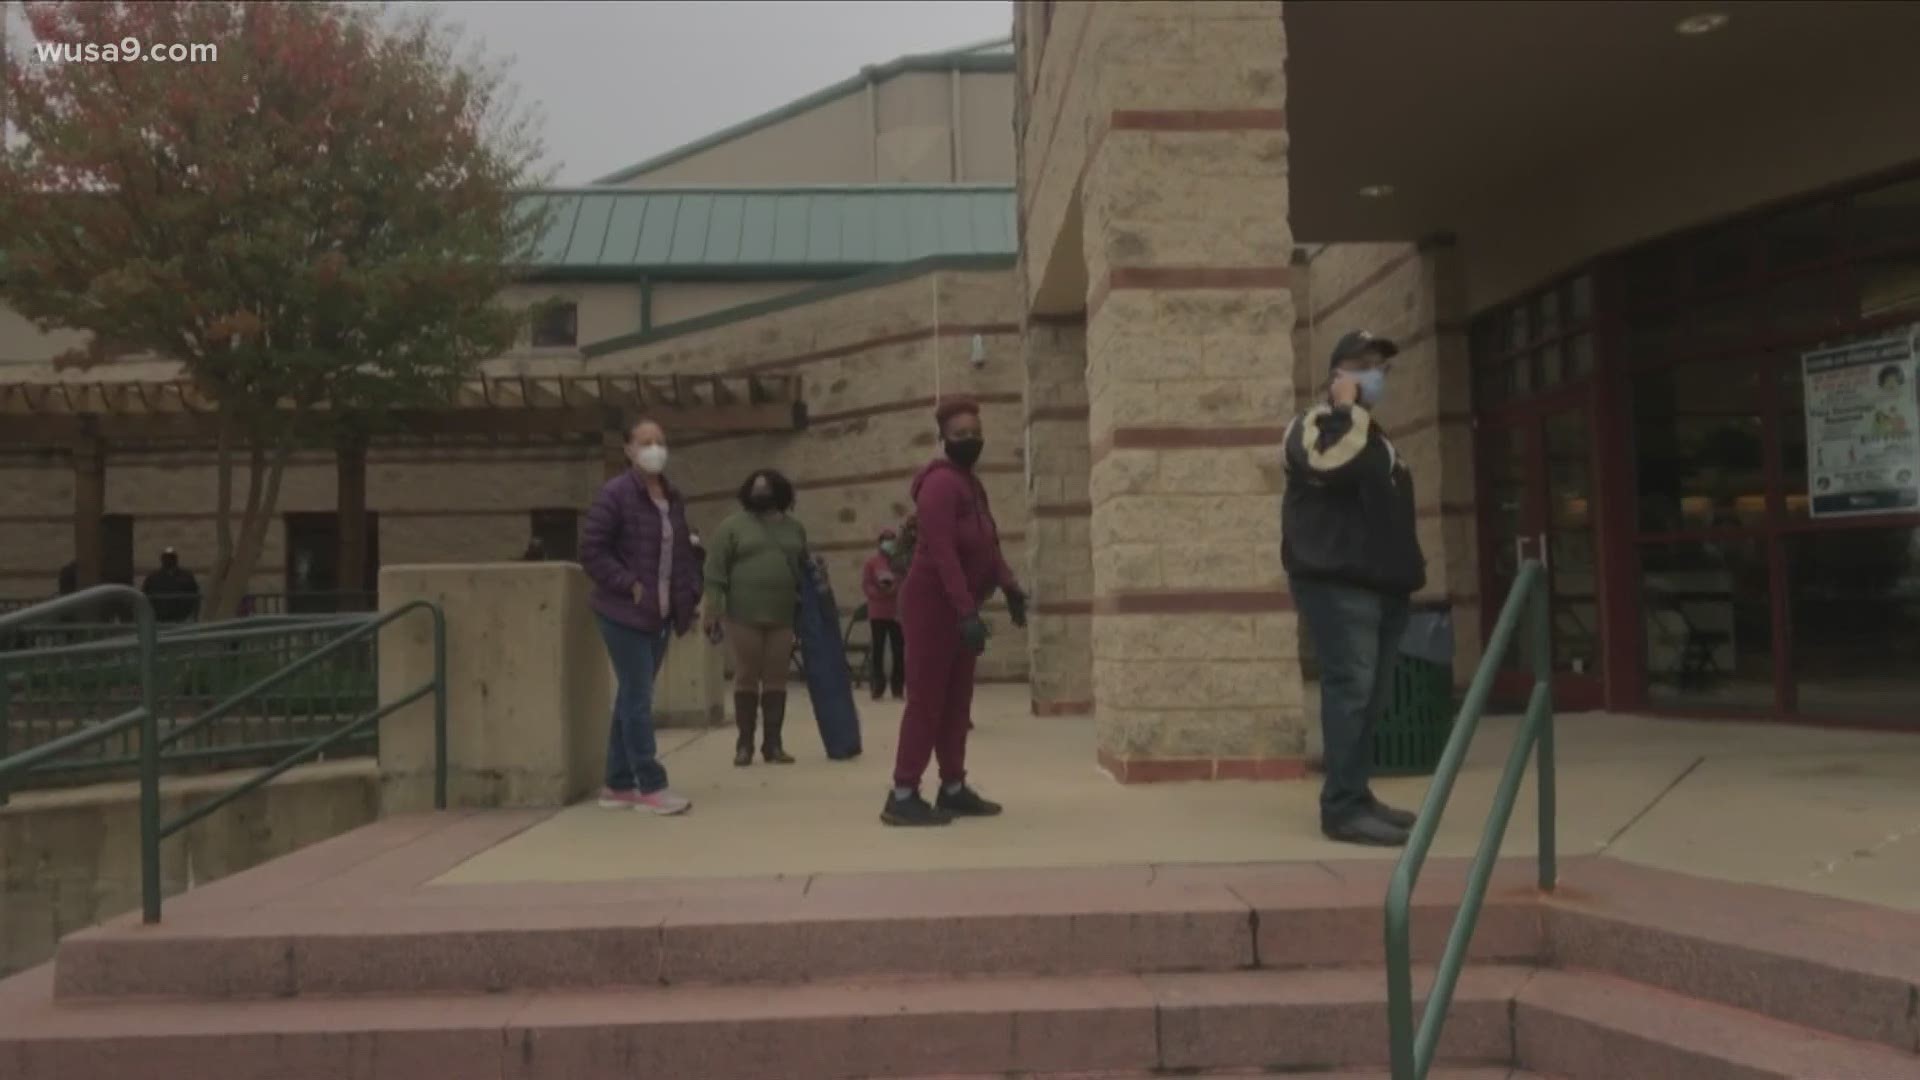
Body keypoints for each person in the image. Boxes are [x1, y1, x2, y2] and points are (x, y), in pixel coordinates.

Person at [1281, 329, 1428, 848]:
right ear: (1338, 375)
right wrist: (1348, 410)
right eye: (1365, 365)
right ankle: (1340, 809)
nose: (1376, 377)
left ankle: (1357, 793)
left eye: (1382, 368)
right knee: (1351, 692)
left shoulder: (1375, 438)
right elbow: (1327, 464)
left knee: (1372, 698)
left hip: (1383, 586)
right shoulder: (1314, 426)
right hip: (1338, 584)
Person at [884, 398, 1027, 827]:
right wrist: (965, 612)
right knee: (927, 700)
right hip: (934, 604)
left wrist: (1009, 585)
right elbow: (943, 553)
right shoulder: (940, 485)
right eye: (960, 434)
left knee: (957, 703)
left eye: (975, 432)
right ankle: (903, 793)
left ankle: (952, 787)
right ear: (943, 438)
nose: (970, 440)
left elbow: (988, 543)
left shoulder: (971, 485)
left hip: (963, 604)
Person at [579, 416, 703, 815]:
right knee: (638, 698)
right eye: (645, 442)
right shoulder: (615, 494)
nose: (654, 449)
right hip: (623, 612)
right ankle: (651, 785)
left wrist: (690, 594)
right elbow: (592, 550)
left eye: (660, 441)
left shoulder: (673, 496)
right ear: (629, 450)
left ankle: (618, 783)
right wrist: (628, 583)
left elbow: (681, 553)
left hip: (660, 614)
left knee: (631, 698)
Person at [702, 468, 808, 767]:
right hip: (743, 613)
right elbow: (715, 570)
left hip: (783, 614)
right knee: (747, 674)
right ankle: (744, 744)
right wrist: (714, 608)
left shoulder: (795, 528)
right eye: (755, 488)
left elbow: (803, 568)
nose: (760, 493)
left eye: (766, 488)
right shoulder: (732, 527)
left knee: (777, 677)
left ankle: (773, 745)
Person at [862, 528, 906, 701]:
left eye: (892, 540)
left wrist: (895, 589)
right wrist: (881, 592)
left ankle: (898, 687)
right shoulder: (871, 563)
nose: (889, 544)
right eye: (886, 540)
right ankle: (877, 687)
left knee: (898, 650)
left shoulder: (899, 563)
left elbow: (904, 582)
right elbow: (866, 585)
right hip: (877, 612)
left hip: (896, 613)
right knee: (878, 650)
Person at [141, 548, 201, 623]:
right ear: (162, 560)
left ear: (176, 559)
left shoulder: (186, 576)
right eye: (166, 558)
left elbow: (194, 595)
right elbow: (145, 595)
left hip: (181, 618)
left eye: (171, 558)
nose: (169, 560)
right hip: (159, 618)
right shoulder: (153, 577)